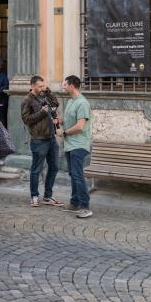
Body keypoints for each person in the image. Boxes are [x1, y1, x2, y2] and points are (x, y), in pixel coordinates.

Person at [21, 76, 63, 208]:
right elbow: (26, 119)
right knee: (36, 169)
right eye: (39, 86)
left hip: (51, 138)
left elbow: (56, 104)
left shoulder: (45, 96)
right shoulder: (27, 100)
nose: (42, 88)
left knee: (55, 167)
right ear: (32, 86)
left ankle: (48, 196)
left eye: (43, 85)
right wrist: (42, 112)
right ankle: (34, 195)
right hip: (39, 139)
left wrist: (48, 91)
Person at [57, 75, 93, 219]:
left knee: (77, 175)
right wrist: (61, 120)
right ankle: (75, 202)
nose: (63, 87)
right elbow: (70, 121)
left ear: (72, 85)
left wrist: (64, 131)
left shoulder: (82, 103)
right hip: (70, 145)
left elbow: (80, 126)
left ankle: (85, 207)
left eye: (65, 84)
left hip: (79, 145)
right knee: (73, 174)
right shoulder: (71, 101)